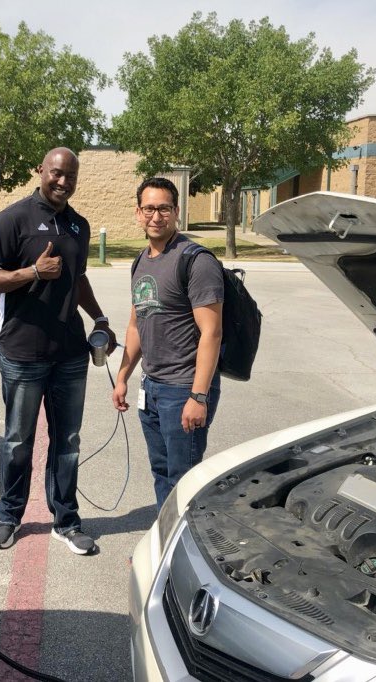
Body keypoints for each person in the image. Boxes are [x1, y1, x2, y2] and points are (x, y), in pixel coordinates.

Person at [0, 147, 115, 555]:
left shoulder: (79, 225)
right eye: (56, 173)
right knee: (18, 441)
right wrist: (32, 272)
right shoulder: (12, 219)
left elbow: (79, 279)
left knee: (67, 441)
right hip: (22, 352)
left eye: (70, 176)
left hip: (70, 353)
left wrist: (100, 317)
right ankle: (9, 515)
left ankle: (66, 521)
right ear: (40, 171)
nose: (63, 182)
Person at [111, 177, 224, 510]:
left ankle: (182, 555)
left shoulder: (196, 260)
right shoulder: (140, 261)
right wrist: (123, 377)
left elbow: (211, 333)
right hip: (153, 387)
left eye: (163, 208)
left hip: (184, 389)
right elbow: (136, 324)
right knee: (162, 473)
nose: (155, 216)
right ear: (138, 212)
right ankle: (164, 544)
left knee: (183, 479)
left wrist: (198, 396)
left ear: (176, 212)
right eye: (149, 208)